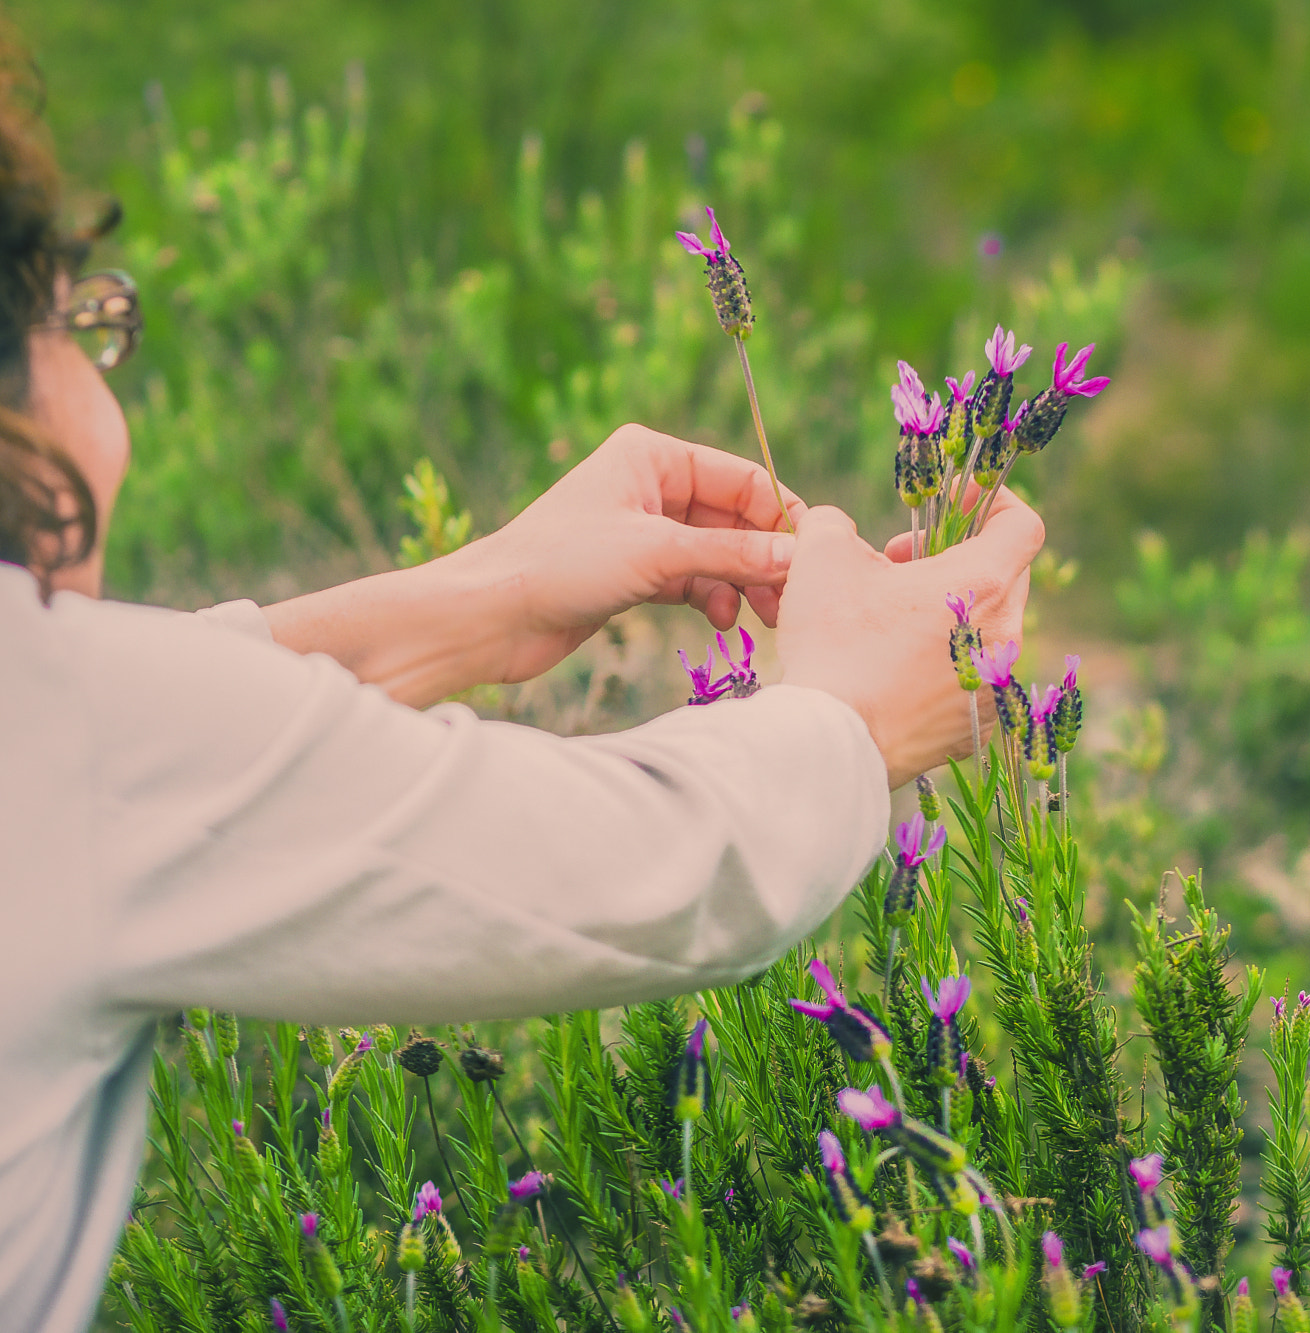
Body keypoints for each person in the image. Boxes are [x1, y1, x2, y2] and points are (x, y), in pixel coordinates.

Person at [0, 43, 1042, 1332]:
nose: (105, 403)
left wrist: (484, 597)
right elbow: (636, 873)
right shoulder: (61, 743)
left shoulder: (62, 736)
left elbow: (151, 729)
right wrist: (852, 717)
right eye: (78, 322)